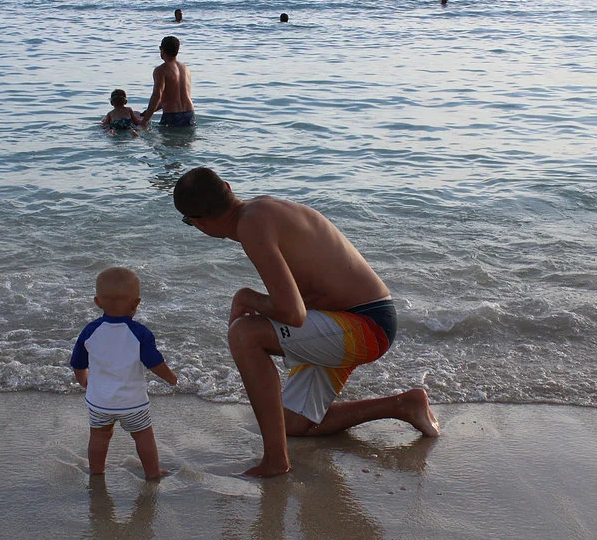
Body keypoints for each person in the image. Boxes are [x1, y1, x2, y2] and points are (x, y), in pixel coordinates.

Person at [173, 167, 439, 477]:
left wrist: (246, 297)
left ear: (199, 222)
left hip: (366, 326)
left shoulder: (251, 226)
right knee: (293, 422)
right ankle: (403, 405)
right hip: (355, 319)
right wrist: (261, 306)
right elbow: (302, 303)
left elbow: (293, 314)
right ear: (229, 188)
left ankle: (275, 460)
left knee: (244, 334)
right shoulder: (263, 208)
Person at [70, 267, 178, 480]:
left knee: (99, 436)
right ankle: (152, 472)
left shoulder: (90, 331)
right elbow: (155, 363)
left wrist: (83, 380)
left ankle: (97, 471)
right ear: (136, 303)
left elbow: (78, 362)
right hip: (132, 403)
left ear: (97, 302)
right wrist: (171, 378)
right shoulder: (140, 333)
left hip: (100, 402)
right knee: (143, 436)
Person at [140, 36, 195, 128]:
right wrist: (151, 110)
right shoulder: (185, 69)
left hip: (171, 115)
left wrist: (145, 121)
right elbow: (173, 97)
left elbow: (157, 95)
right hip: (189, 113)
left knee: (167, 138)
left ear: (162, 50)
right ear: (177, 50)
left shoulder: (161, 70)